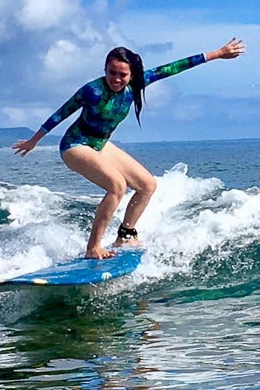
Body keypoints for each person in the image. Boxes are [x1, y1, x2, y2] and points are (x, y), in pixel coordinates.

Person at [14, 39, 247, 259]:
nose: (116, 79)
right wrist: (34, 140)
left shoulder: (137, 83)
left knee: (147, 185)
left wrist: (217, 54)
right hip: (76, 145)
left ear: (131, 74)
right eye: (111, 72)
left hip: (100, 145)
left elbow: (174, 67)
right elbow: (61, 113)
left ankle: (125, 235)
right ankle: (93, 247)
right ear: (105, 69)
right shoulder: (92, 91)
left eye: (122, 74)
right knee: (117, 186)